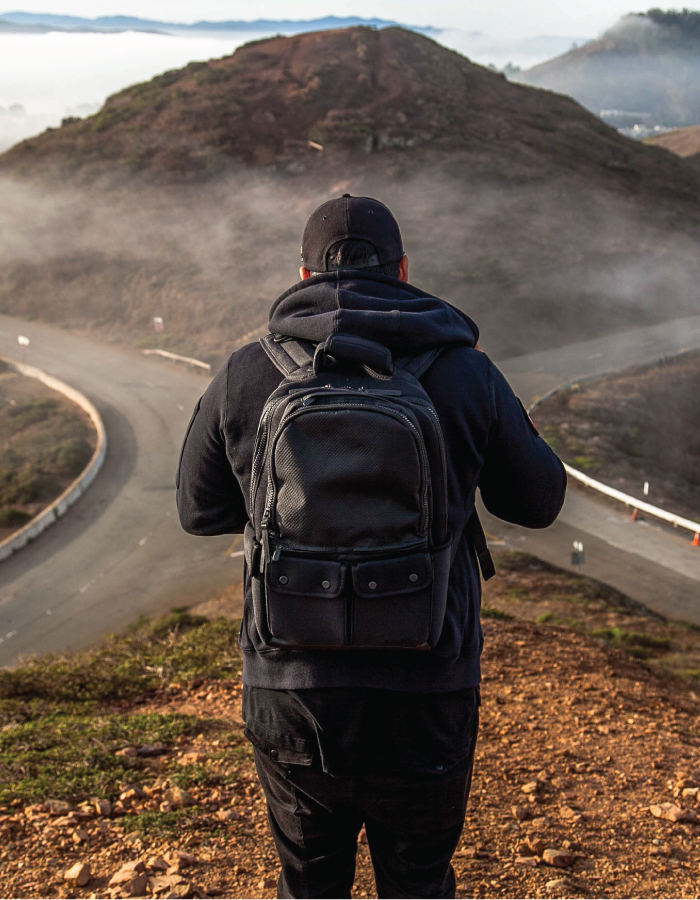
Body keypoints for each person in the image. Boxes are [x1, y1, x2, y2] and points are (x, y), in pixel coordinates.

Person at [177, 195, 566, 899]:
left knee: (311, 883)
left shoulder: (245, 372)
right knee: (417, 883)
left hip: (290, 686)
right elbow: (537, 503)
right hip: (427, 689)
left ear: (301, 272)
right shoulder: (466, 370)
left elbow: (197, 511)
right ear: (404, 270)